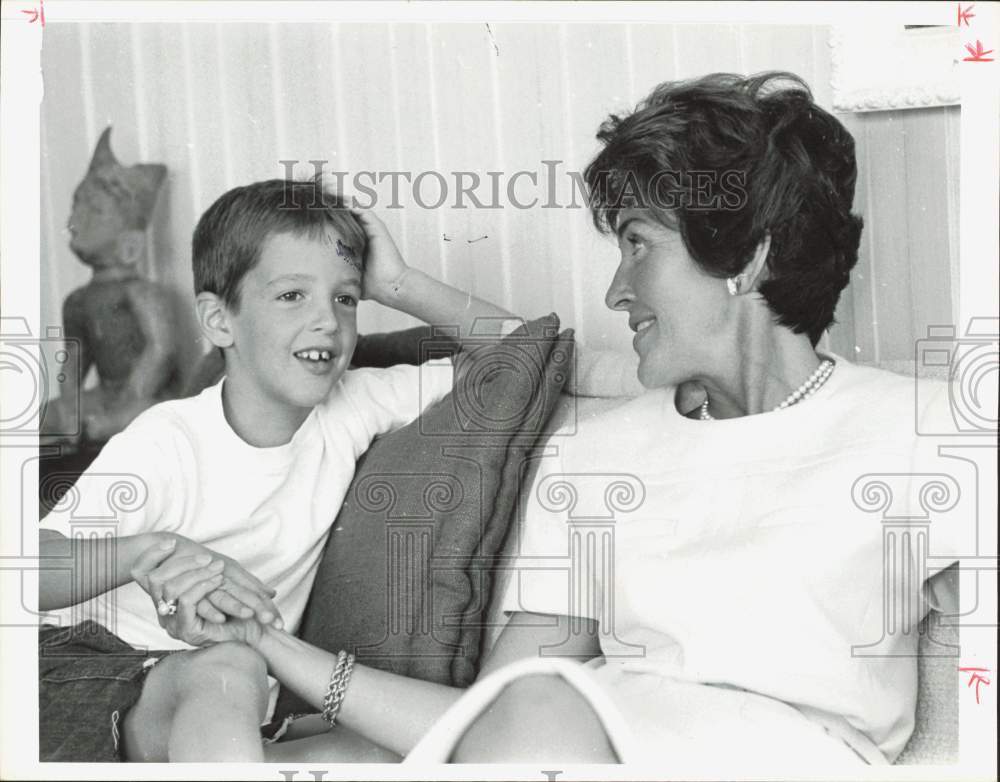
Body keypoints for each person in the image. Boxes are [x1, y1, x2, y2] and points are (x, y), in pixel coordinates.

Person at [133, 72, 965, 767]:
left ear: (746, 256)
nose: (614, 291)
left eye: (638, 242)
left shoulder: (931, 431)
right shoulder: (600, 451)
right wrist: (271, 644)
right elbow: (482, 718)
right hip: (583, 741)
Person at [37, 177, 519, 763]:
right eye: (292, 295)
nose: (327, 322)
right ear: (219, 322)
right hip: (72, 668)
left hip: (221, 696)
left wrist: (399, 284)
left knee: (371, 754)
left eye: (345, 298)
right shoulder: (168, 440)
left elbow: (525, 359)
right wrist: (146, 553)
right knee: (228, 667)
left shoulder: (355, 403)